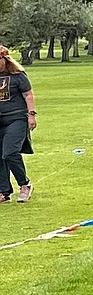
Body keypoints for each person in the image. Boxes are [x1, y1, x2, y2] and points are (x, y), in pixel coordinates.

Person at [0, 45, 35, 203]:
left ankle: (25, 184)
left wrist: (31, 115)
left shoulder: (17, 75)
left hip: (16, 118)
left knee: (10, 152)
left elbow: (28, 95)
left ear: (4, 59)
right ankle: (4, 191)